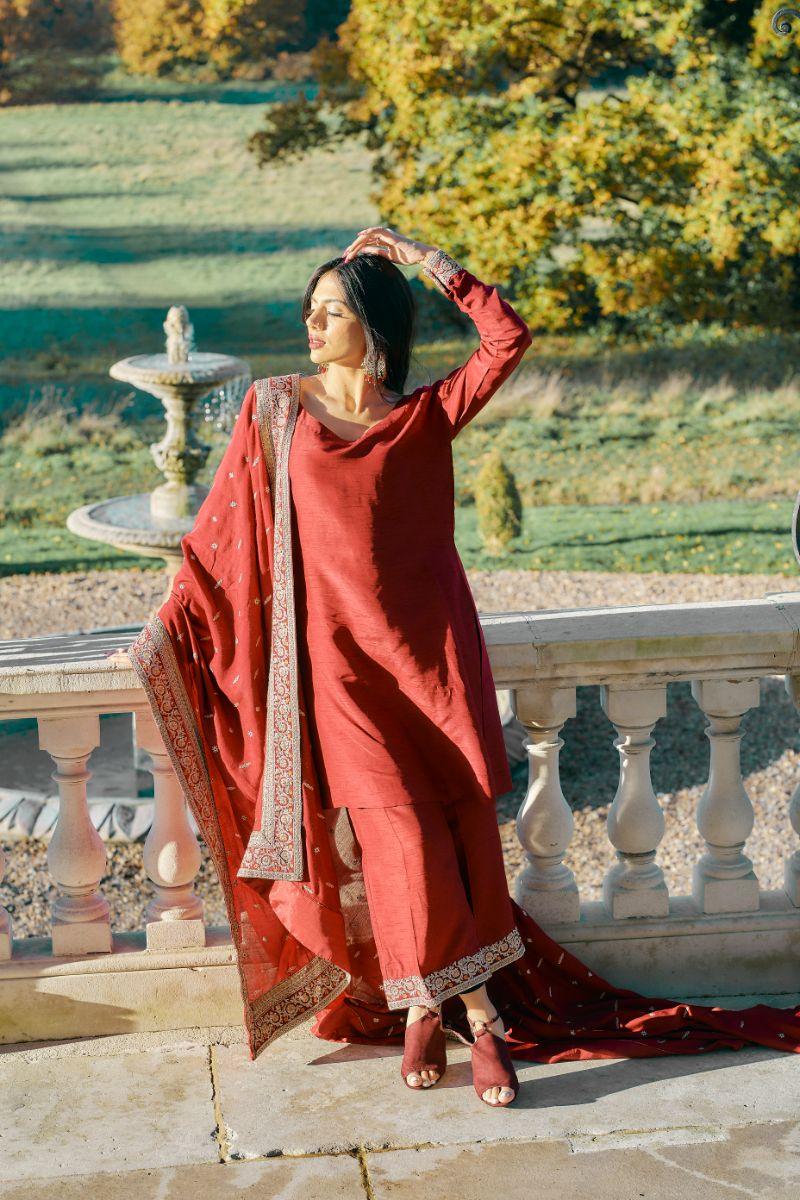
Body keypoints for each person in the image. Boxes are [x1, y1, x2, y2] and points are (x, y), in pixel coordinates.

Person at [122, 226, 800, 1112]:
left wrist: (427, 261)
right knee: (401, 840)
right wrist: (169, 624)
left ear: (374, 325)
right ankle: (481, 1020)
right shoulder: (274, 410)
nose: (312, 325)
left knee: (457, 844)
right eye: (310, 310)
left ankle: (420, 1010)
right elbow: (218, 538)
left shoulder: (424, 416)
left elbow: (507, 338)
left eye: (331, 311)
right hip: (341, 679)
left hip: (432, 667)